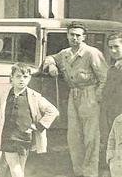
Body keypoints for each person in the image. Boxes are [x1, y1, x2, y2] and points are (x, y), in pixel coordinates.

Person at [42, 21, 108, 177]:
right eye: (71, 35)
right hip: (74, 95)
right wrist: (51, 65)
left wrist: (97, 96)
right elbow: (50, 57)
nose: (75, 38)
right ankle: (78, 172)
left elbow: (104, 77)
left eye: (78, 35)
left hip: (89, 94)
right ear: (67, 35)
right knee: (74, 136)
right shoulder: (65, 53)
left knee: (91, 136)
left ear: (84, 37)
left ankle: (90, 173)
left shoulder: (91, 53)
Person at [0, 63, 59, 177]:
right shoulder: (5, 94)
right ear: (11, 77)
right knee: (15, 168)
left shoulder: (34, 96)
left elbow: (53, 111)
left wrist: (39, 126)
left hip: (25, 137)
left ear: (29, 78)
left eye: (25, 77)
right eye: (18, 76)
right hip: (8, 136)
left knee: (19, 170)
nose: (22, 80)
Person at [102, 33, 122, 164]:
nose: (113, 51)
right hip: (113, 115)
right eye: (110, 47)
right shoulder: (112, 69)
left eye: (116, 46)